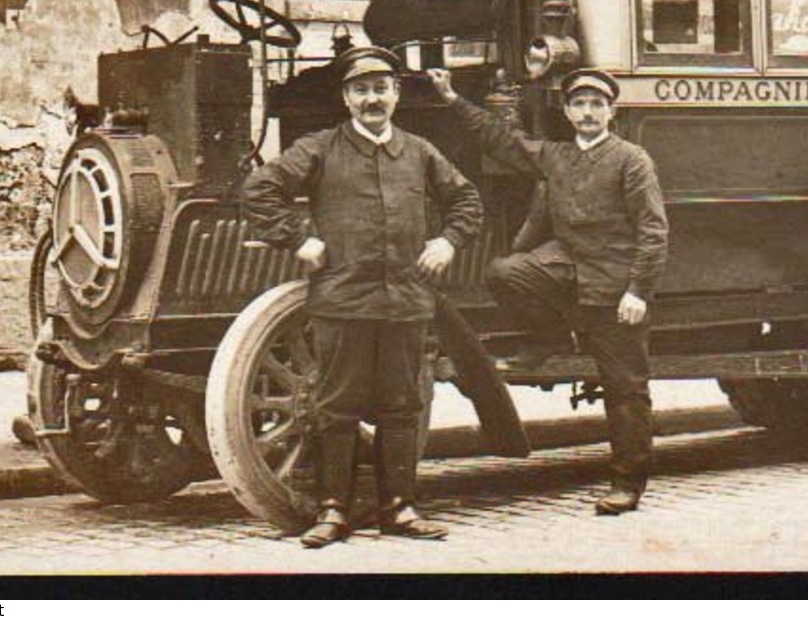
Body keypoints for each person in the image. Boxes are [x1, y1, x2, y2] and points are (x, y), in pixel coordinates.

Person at [243, 46, 483, 548]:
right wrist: (298, 238)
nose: (372, 99)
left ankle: (400, 508)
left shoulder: (419, 151)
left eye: (381, 89)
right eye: (361, 90)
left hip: (406, 300)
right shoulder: (320, 149)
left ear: (396, 95)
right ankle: (334, 511)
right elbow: (260, 190)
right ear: (346, 98)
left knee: (402, 405)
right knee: (337, 405)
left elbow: (466, 200)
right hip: (343, 301)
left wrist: (447, 241)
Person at [426, 65, 668, 515]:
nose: (588, 112)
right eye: (580, 104)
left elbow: (654, 231)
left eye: (597, 105)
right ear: (569, 111)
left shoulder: (632, 160)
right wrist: (452, 99)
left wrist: (638, 291)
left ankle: (628, 483)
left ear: (611, 111)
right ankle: (550, 337)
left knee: (625, 387)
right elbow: (501, 140)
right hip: (567, 266)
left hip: (614, 285)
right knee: (505, 272)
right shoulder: (557, 155)